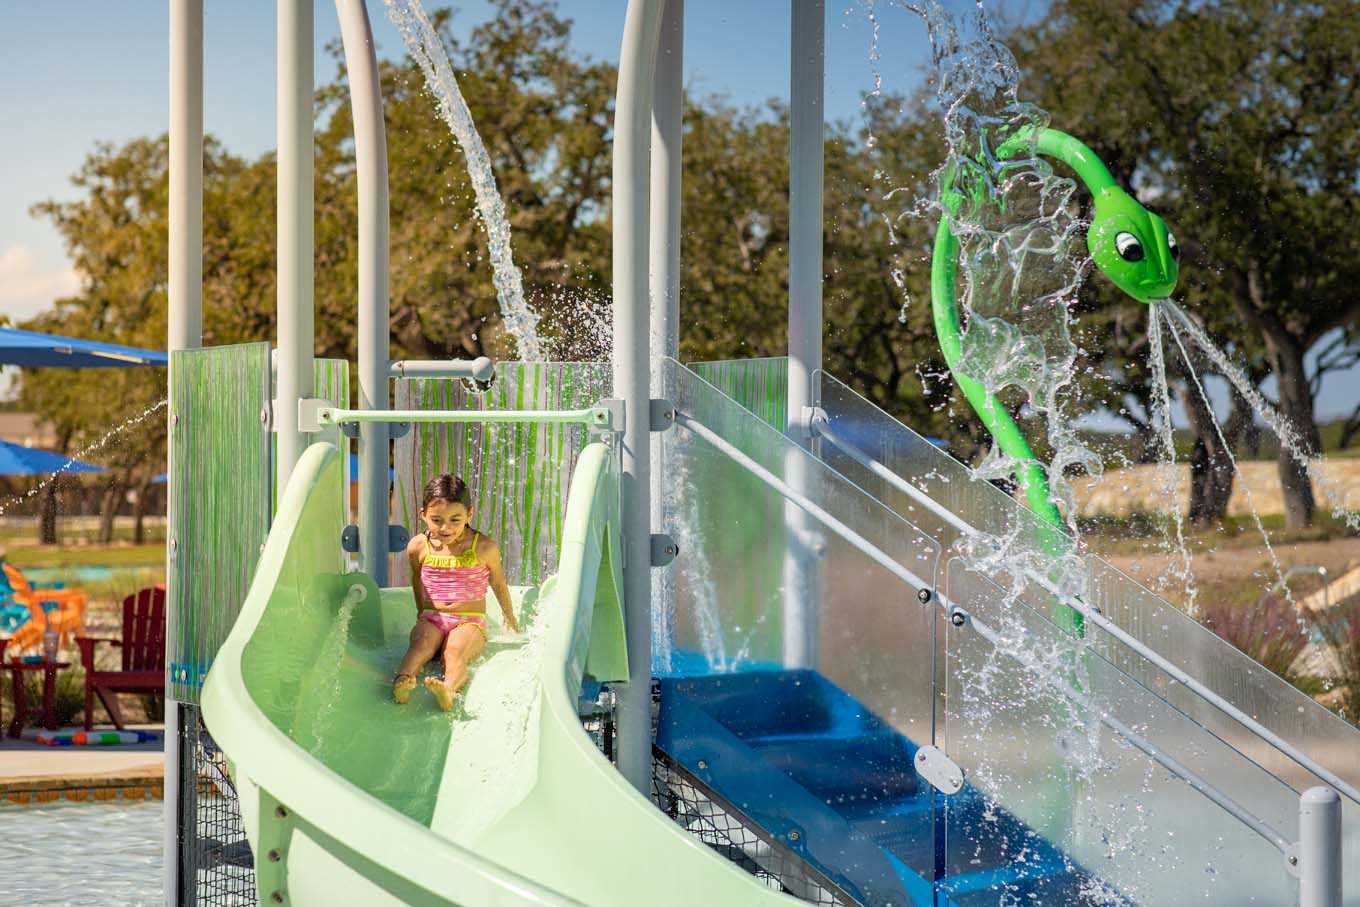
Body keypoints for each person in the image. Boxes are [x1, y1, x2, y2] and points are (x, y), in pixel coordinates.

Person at [393, 474, 519, 710]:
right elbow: (417, 580)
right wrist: (421, 613)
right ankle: (402, 681)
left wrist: (509, 615)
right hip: (433, 617)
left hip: (469, 621)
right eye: (436, 520)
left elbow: (499, 583)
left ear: (469, 515)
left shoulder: (484, 547)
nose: (445, 527)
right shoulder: (418, 547)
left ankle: (448, 689)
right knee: (420, 645)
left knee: (454, 652)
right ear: (423, 515)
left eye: (455, 519)